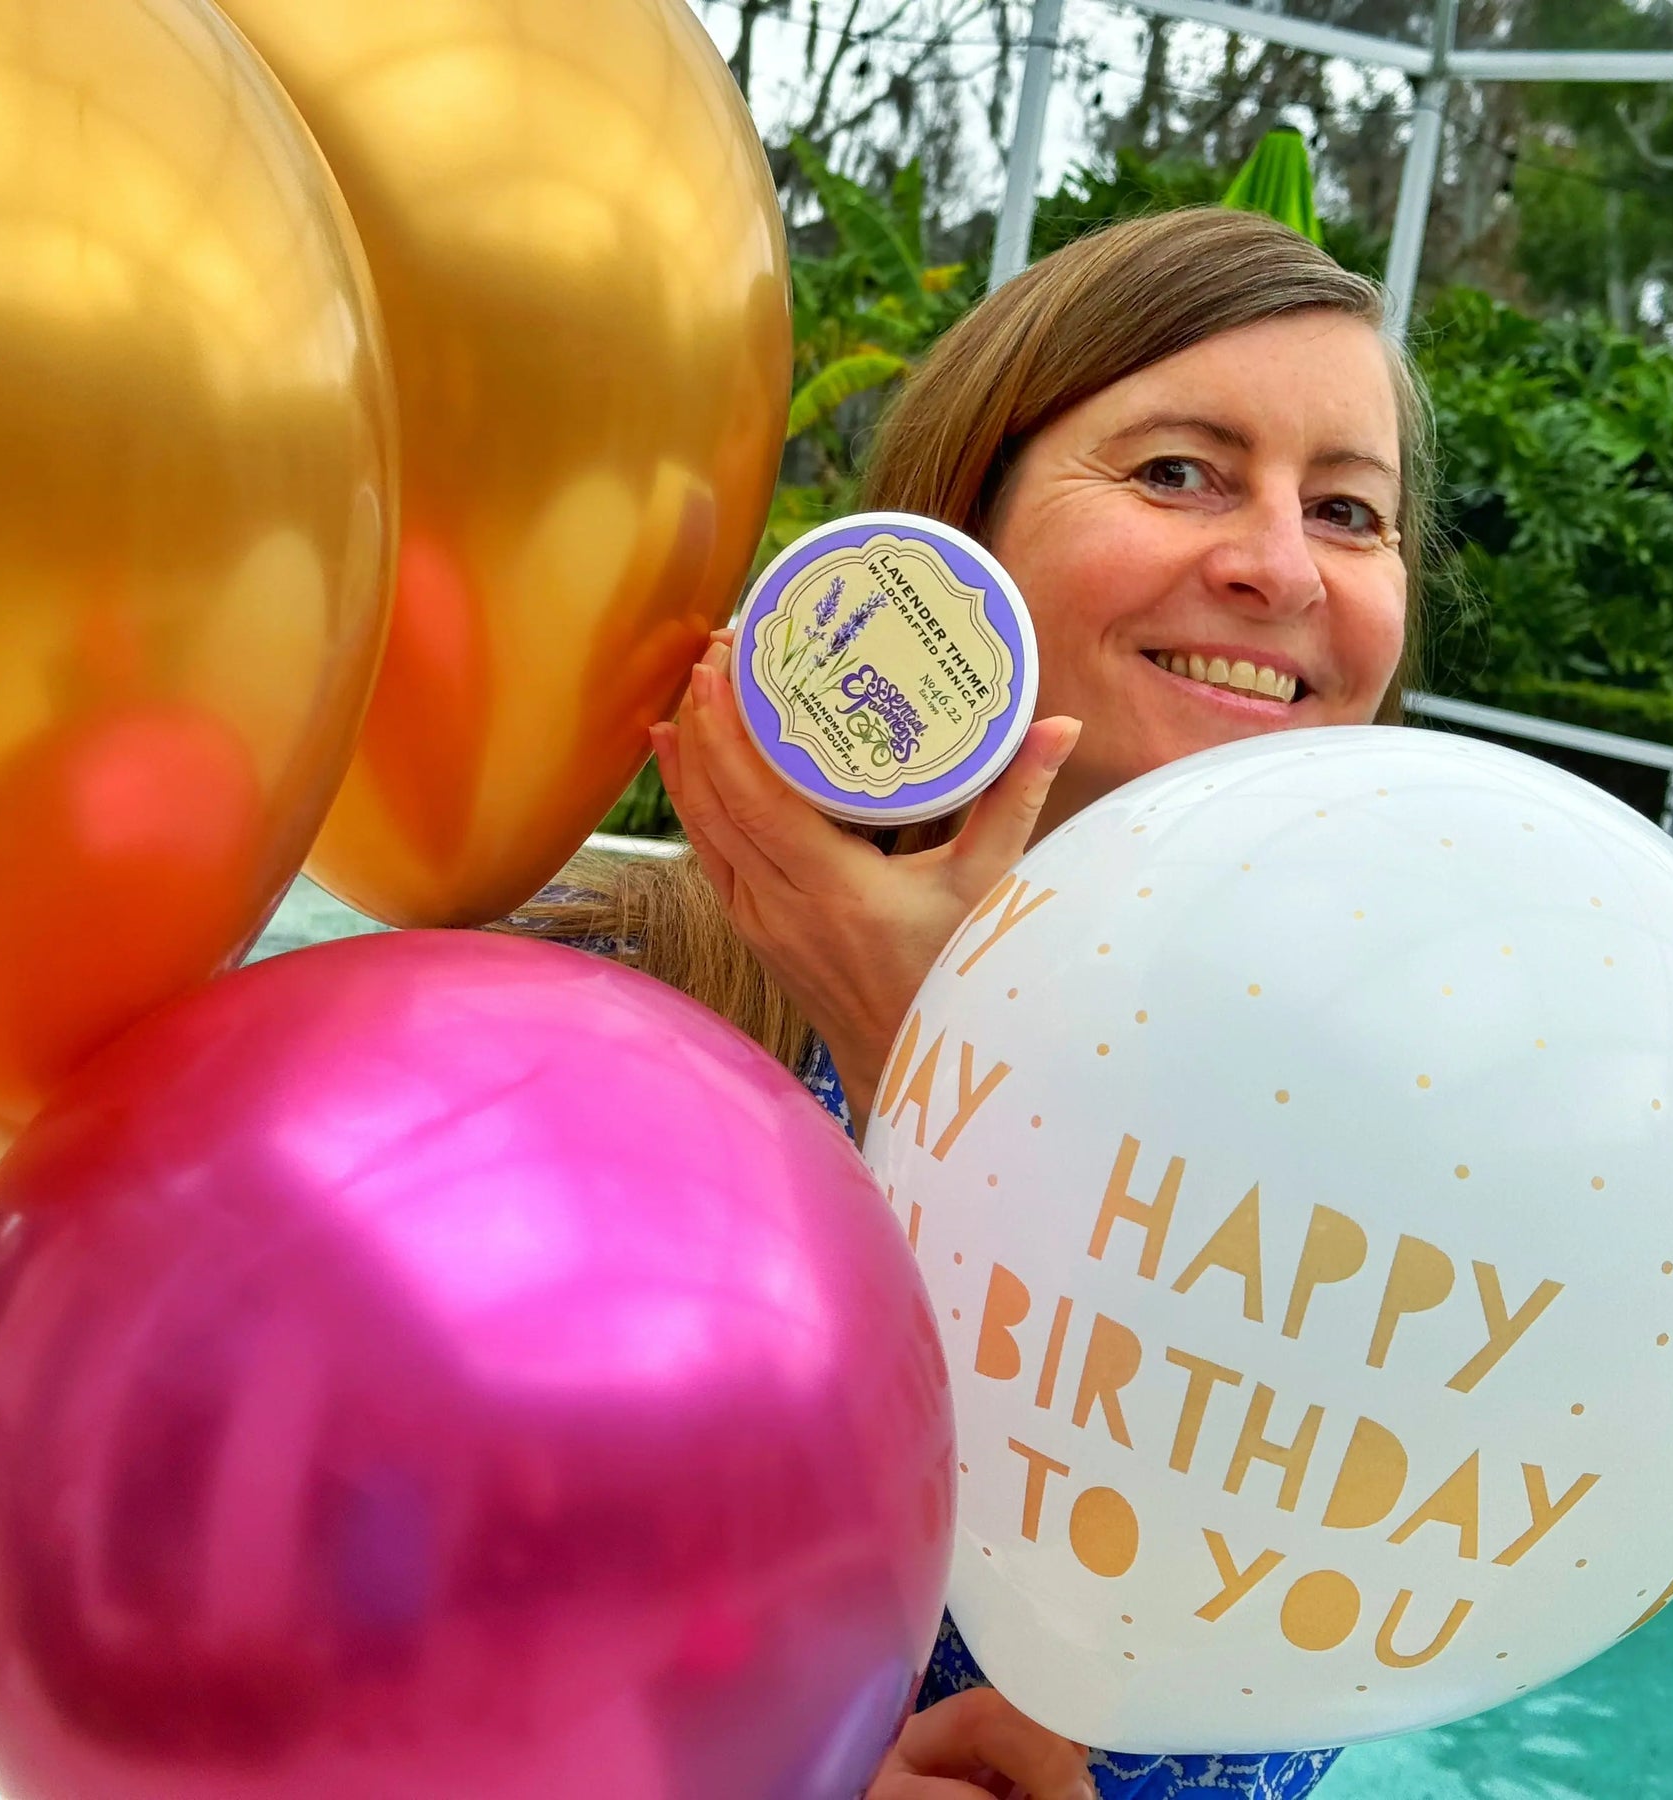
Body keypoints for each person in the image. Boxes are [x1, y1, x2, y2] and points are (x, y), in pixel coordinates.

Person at [517, 205, 1432, 1800]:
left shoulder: (1395, 1174)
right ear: (961, 537)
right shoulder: (586, 1029)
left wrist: (930, 1055)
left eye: (1349, 510)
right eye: (1177, 472)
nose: (1280, 566)